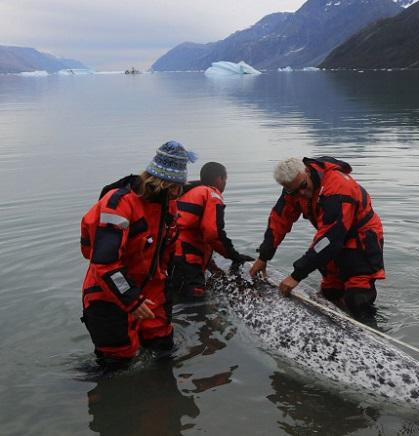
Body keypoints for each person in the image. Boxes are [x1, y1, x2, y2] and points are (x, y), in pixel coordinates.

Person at [80, 141, 197, 367]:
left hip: (151, 288)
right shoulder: (117, 204)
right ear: (161, 182)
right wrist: (132, 300)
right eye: (174, 187)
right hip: (108, 294)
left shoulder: (167, 205)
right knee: (117, 363)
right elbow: (104, 264)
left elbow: (166, 254)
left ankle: (162, 397)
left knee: (163, 348)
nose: (177, 193)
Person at [250, 157, 385, 320]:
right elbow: (279, 221)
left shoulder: (337, 187)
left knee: (357, 298)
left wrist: (296, 276)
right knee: (330, 293)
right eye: (294, 192)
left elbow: (332, 238)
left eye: (303, 187)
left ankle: (372, 332)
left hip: (360, 240)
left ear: (306, 171)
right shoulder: (293, 187)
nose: (301, 194)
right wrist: (263, 257)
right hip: (330, 239)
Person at [170, 161, 253, 300]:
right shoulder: (212, 194)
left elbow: (190, 230)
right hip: (187, 258)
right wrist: (234, 255)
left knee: (176, 293)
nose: (225, 184)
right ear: (219, 179)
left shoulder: (189, 192)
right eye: (225, 179)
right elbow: (213, 234)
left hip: (172, 254)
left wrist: (211, 266)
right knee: (195, 300)